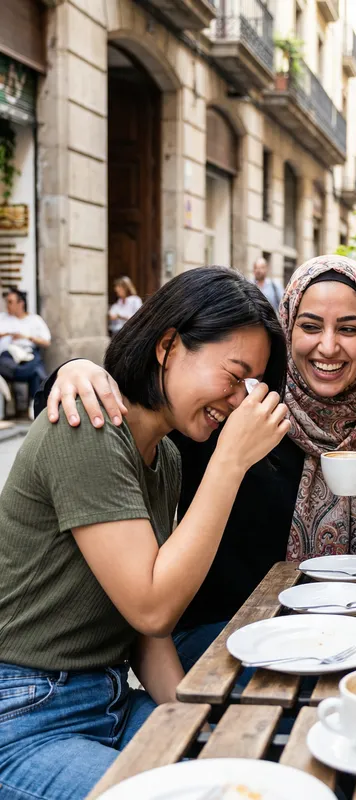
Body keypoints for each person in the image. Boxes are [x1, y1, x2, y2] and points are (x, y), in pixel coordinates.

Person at [35, 255, 356, 675]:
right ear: (288, 328)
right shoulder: (237, 408)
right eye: (309, 326)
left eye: (349, 329)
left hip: (335, 628)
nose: (327, 346)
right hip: (218, 629)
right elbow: (112, 418)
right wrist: (74, 370)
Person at [0, 266, 290, 800]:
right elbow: (153, 608)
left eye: (251, 386)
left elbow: (146, 634)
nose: (238, 401)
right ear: (167, 346)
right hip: (25, 713)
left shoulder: (166, 458)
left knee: (241, 777)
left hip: (110, 700)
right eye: (234, 377)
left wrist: (193, 722)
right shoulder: (87, 426)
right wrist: (230, 462)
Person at [0, 288, 50, 410]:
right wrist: (6, 334)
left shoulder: (34, 320)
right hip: (8, 357)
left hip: (28, 355)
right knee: (36, 370)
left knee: (35, 365)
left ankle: (34, 406)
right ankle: (36, 404)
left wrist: (26, 337)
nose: (7, 305)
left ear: (20, 303)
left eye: (10, 302)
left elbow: (46, 342)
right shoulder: (3, 318)